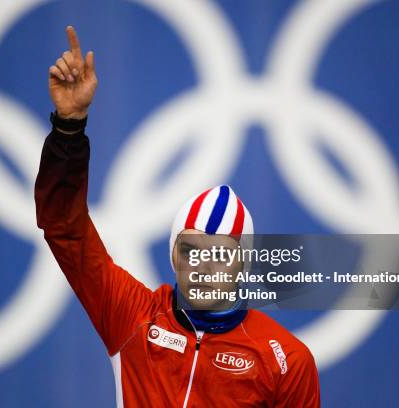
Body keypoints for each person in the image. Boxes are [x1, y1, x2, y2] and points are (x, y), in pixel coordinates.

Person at [35, 25, 320, 408]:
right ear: (173, 255)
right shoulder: (132, 316)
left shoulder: (286, 361)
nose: (203, 265)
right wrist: (68, 128)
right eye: (191, 250)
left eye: (219, 253)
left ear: (243, 263)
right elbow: (62, 225)